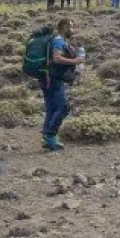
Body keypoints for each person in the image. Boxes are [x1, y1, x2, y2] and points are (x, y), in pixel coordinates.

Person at [41, 19, 84, 152]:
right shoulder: (59, 40)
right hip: (53, 78)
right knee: (64, 107)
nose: (72, 30)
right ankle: (50, 134)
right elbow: (57, 58)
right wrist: (75, 60)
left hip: (46, 77)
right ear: (64, 27)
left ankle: (48, 138)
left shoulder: (55, 39)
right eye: (70, 27)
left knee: (52, 107)